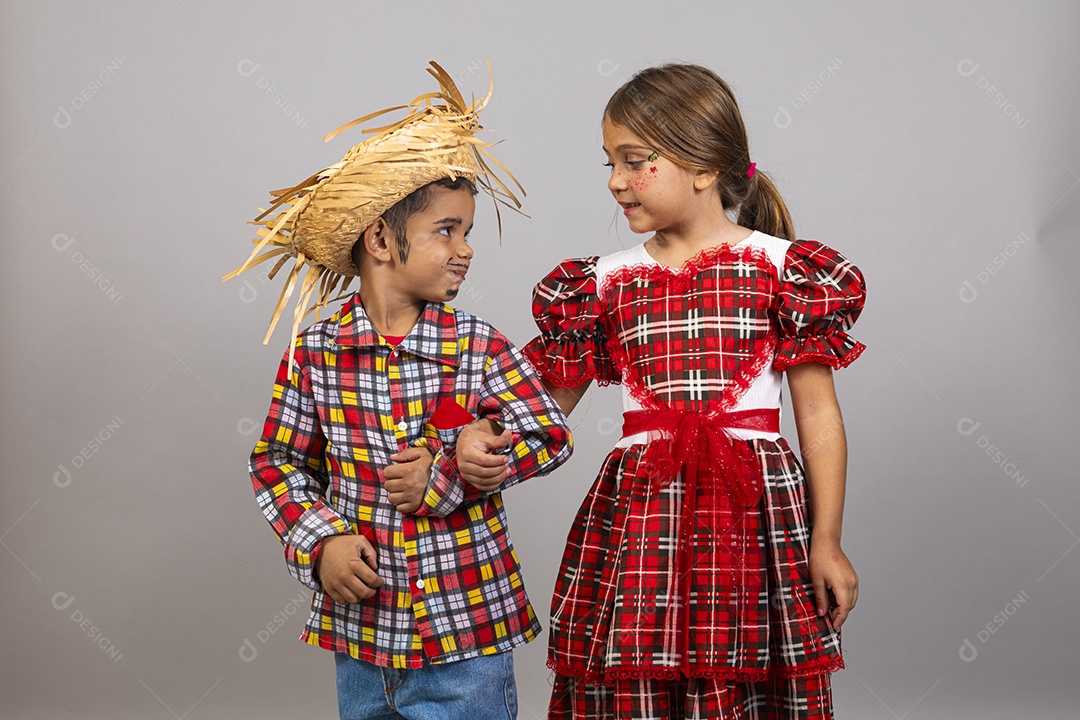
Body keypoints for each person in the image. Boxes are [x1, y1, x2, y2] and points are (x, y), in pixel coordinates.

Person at [227, 63, 573, 720]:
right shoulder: (315, 354)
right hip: (363, 639)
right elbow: (277, 463)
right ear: (382, 238)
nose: (465, 249)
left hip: (466, 637)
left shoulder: (478, 345)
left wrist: (473, 463)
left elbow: (548, 434)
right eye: (447, 230)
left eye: (467, 232)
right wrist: (321, 542)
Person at [523, 63, 866, 719]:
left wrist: (826, 540)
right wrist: (469, 441)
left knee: (748, 666)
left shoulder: (784, 271)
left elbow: (819, 417)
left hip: (754, 514)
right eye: (610, 164)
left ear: (704, 168)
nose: (615, 181)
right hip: (642, 516)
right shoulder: (602, 283)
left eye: (634, 162)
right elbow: (541, 411)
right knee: (637, 667)